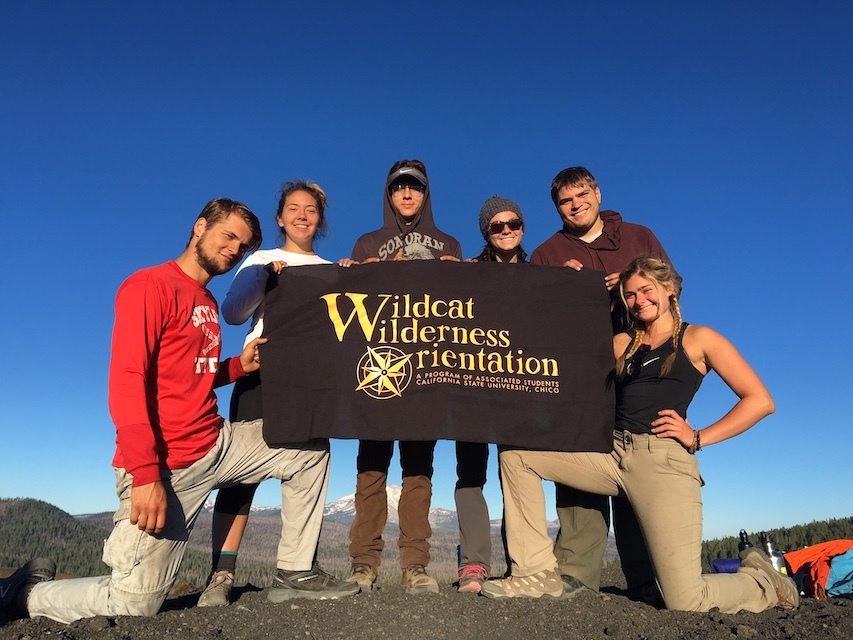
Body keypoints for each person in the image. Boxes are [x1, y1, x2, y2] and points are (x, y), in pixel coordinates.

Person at [0, 199, 351, 624]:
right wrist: (146, 475)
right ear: (200, 227)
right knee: (134, 604)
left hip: (216, 443)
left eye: (242, 246)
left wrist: (238, 367)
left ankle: (296, 570)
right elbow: (128, 379)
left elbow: (190, 374)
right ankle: (24, 594)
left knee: (308, 449)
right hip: (166, 466)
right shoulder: (150, 285)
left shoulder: (203, 299)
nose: (234, 249)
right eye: (229, 236)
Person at [482, 257, 798, 614]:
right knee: (516, 454)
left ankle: (762, 580)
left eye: (646, 290)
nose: (639, 300)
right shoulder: (621, 343)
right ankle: (535, 572)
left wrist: (698, 437)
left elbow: (760, 401)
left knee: (685, 601)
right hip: (610, 456)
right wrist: (566, 284)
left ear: (669, 290)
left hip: (662, 462)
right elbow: (558, 352)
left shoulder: (699, 338)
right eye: (629, 295)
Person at [197, 182, 356, 606]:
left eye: (310, 209)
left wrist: (352, 276)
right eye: (293, 208)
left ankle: (296, 569)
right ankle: (220, 574)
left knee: (308, 462)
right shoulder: (261, 259)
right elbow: (233, 314)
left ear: (320, 220)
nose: (302, 215)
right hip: (261, 374)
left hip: (310, 380)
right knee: (240, 474)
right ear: (281, 217)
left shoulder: (329, 267)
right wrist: (265, 279)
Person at [530, 166, 678, 602]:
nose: (576, 205)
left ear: (597, 193)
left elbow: (673, 289)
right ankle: (577, 571)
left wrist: (629, 288)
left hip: (640, 369)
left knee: (640, 463)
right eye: (565, 200)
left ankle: (647, 575)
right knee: (578, 467)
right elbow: (534, 321)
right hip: (580, 376)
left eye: (582, 195)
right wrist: (564, 288)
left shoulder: (638, 236)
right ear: (557, 207)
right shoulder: (547, 252)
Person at [340, 159, 462, 594]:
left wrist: (459, 276)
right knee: (370, 468)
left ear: (426, 194)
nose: (407, 194)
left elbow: (460, 312)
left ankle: (415, 565)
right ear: (389, 195)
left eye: (415, 187)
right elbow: (350, 308)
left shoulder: (449, 243)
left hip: (427, 373)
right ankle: (363, 564)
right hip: (378, 369)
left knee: (418, 471)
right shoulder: (367, 242)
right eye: (398, 188)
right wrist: (350, 274)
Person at [454, 196, 527, 594]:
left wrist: (571, 280)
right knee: (471, 473)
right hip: (472, 387)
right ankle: (474, 565)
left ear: (522, 225)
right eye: (496, 225)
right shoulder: (470, 274)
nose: (505, 230)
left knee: (518, 470)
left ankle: (523, 562)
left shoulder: (540, 276)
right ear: (486, 232)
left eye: (512, 222)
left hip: (521, 384)